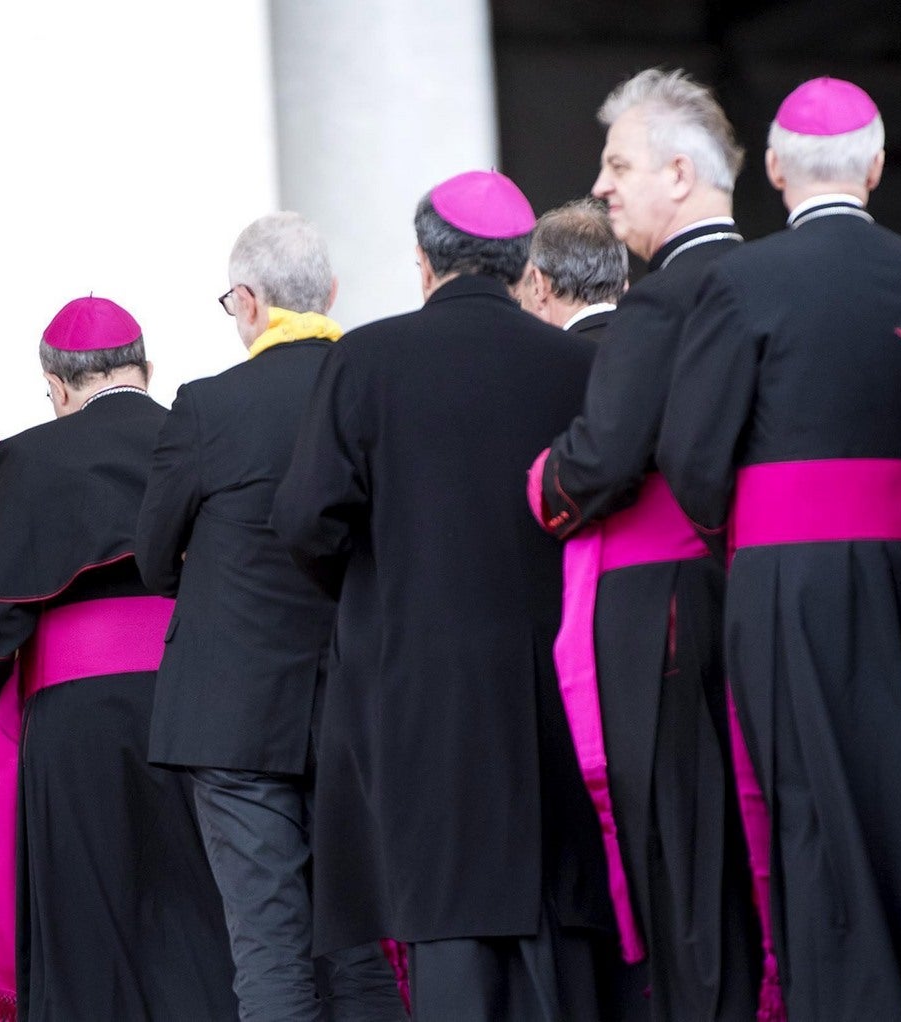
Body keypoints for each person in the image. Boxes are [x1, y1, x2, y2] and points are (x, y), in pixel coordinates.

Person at [272, 170, 613, 1020]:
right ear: (523, 267)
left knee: (445, 910)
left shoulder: (368, 358)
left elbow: (308, 521)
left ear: (425, 262)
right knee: (555, 910)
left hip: (412, 678)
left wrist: (375, 591)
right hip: (549, 675)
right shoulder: (576, 364)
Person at [656, 78, 901, 1022]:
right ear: (876, 166)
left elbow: (691, 455)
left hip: (784, 582)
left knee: (811, 807)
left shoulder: (738, 282)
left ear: (776, 170)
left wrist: (740, 544)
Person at [527, 68, 760, 1021]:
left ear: (677, 171)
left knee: (681, 847)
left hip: (663, 608)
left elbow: (596, 462)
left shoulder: (661, 305)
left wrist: (540, 480)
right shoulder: (766, 274)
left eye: (618, 164)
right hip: (765, 591)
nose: (603, 185)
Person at [136, 213, 403, 1020]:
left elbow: (154, 557)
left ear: (247, 302)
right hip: (361, 703)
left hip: (235, 714)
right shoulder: (377, 389)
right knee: (363, 944)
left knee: (268, 946)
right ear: (329, 294)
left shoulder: (211, 405)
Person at [0, 297, 237, 1021]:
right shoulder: (199, 436)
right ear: (146, 368)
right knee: (202, 908)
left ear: (58, 384)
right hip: (200, 703)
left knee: (87, 917)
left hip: (79, 727)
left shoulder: (32, 455)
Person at [520, 198, 627, 338]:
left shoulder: (549, 357)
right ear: (625, 283)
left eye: (520, 300)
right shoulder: (657, 346)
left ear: (538, 286)